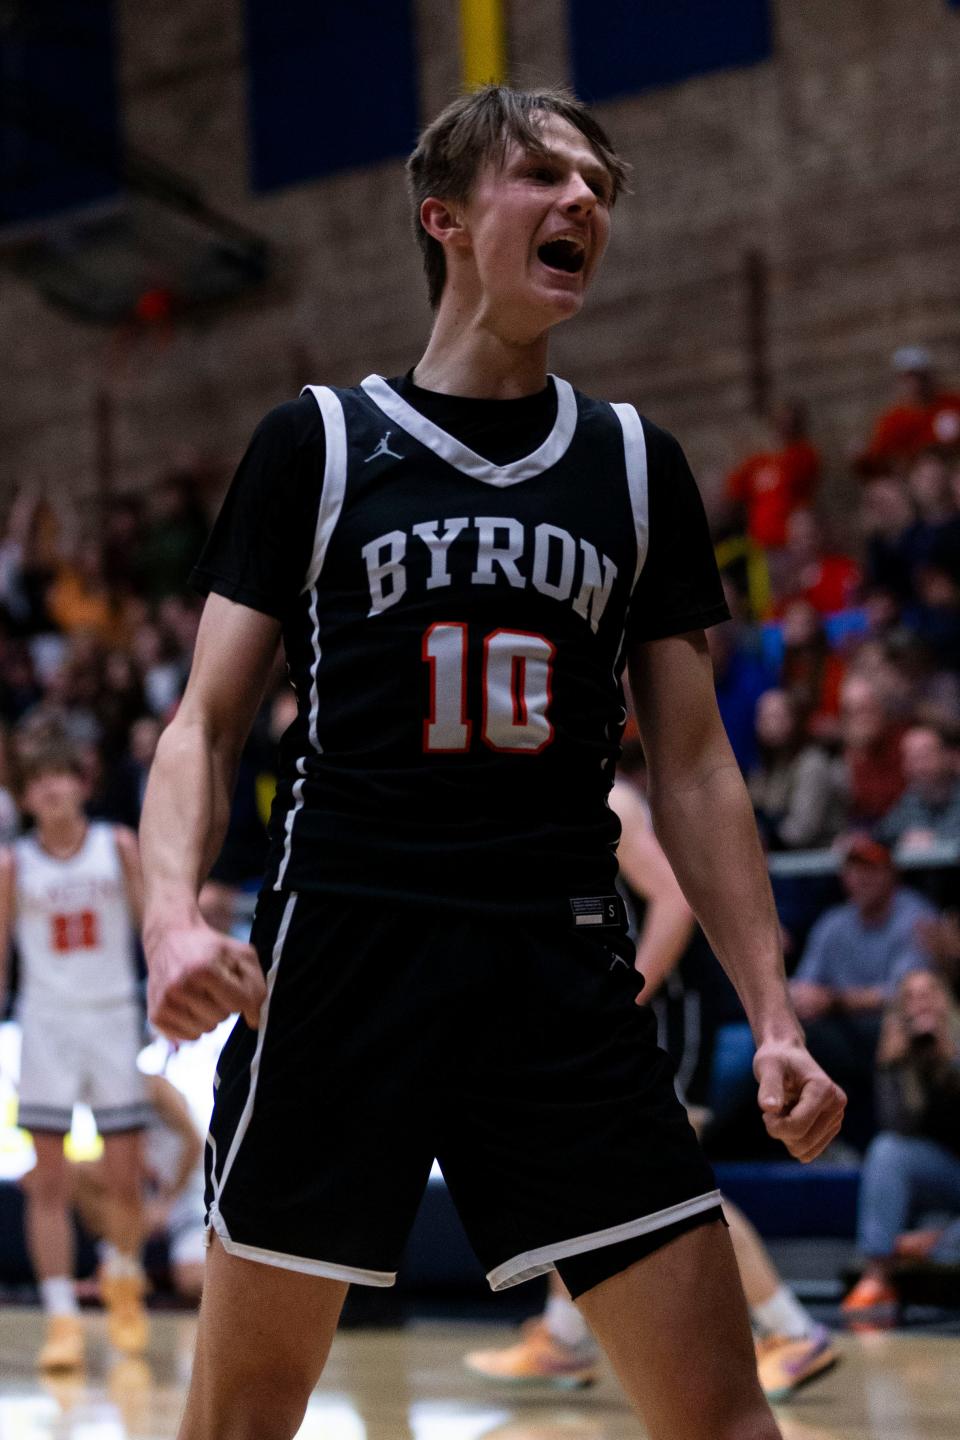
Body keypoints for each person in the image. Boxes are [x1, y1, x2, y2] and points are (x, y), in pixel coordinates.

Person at [140, 85, 845, 1440]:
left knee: (725, 1419)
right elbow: (204, 728)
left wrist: (776, 1016)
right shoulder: (322, 443)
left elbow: (694, 768)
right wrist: (172, 920)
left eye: (597, 184)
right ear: (447, 219)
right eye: (543, 174)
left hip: (556, 962)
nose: (583, 199)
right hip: (345, 956)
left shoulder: (637, 465)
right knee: (239, 1422)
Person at [464, 778, 838, 1404]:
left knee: (671, 1180)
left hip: (662, 1013)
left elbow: (674, 900)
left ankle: (792, 1330)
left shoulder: (610, 798)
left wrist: (627, 997)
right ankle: (562, 1339)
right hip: (611, 1017)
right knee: (586, 1173)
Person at [0, 738, 151, 1371]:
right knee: (47, 1181)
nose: (54, 789)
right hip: (47, 1024)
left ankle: (123, 1277)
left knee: (123, 1177)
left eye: (63, 775)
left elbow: (152, 928)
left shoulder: (116, 846)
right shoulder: (14, 864)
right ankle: (61, 1316)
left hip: (113, 1017)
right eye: (41, 781)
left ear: (81, 782)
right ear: (26, 795)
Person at [790, 835, 935, 1150]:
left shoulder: (915, 916)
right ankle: (819, 1145)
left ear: (891, 872)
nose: (861, 878)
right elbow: (801, 987)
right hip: (843, 1029)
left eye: (871, 869)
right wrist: (807, 999)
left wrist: (833, 1000)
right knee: (794, 1035)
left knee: (895, 1031)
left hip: (901, 1029)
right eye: (853, 870)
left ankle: (897, 1143)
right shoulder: (833, 923)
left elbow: (905, 994)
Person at [842, 968, 960, 1317]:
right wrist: (894, 1067)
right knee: (887, 1150)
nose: (920, 1002)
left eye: (928, 992)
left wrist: (950, 1059)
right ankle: (878, 1271)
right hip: (943, 1173)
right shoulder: (901, 1056)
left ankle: (934, 1242)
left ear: (946, 999)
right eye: (910, 996)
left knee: (949, 1247)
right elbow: (898, 1126)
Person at [747, 690, 843, 851]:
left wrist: (764, 839)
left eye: (776, 717)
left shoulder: (812, 763)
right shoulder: (763, 768)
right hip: (776, 856)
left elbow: (802, 830)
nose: (767, 724)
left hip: (814, 862)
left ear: (795, 720)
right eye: (762, 717)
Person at [876, 726, 960, 853]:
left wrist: (937, 839)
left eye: (925, 756)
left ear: (948, 756)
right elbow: (881, 837)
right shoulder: (909, 800)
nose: (918, 766)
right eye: (911, 758)